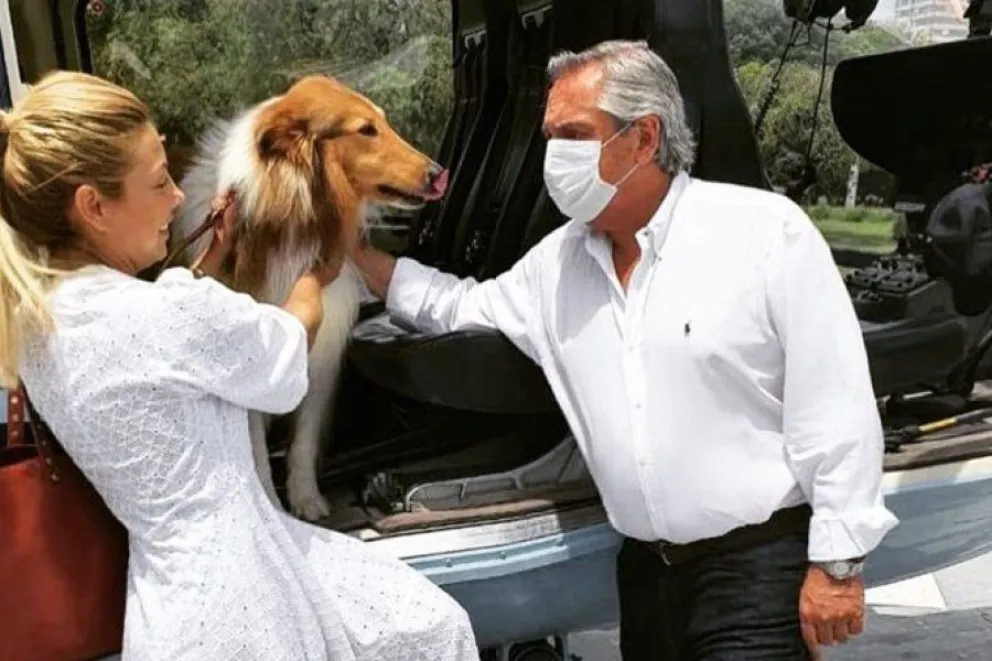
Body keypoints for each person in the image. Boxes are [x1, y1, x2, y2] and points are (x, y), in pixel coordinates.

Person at [351, 39, 899, 661]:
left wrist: (837, 565)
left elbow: (835, 405)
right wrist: (353, 253)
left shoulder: (765, 234)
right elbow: (458, 307)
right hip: (645, 577)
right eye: (550, 137)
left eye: (574, 135)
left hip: (754, 570)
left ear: (643, 138)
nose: (554, 157)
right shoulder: (557, 266)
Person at [0, 70, 479, 661]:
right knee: (434, 627)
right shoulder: (172, 313)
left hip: (167, 612)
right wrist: (317, 274)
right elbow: (284, 360)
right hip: (247, 606)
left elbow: (157, 352)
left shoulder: (37, 324)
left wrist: (214, 258)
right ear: (93, 206)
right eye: (159, 183)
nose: (179, 198)